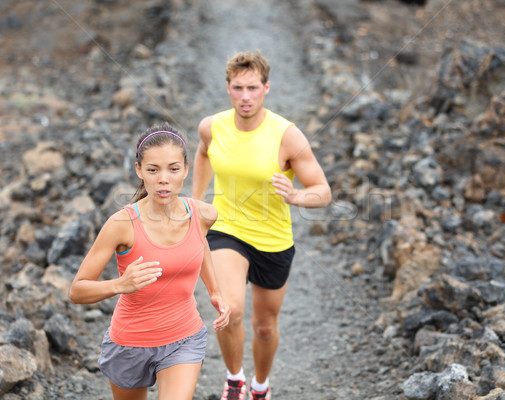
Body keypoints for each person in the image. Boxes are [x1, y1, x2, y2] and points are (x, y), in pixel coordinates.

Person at [192, 50, 332, 400]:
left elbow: (324, 191)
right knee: (230, 309)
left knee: (265, 327)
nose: (245, 97)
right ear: (227, 88)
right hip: (228, 230)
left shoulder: (287, 135)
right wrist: (196, 201)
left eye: (252, 88)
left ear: (266, 87)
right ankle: (235, 380)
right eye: (238, 88)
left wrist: (296, 197)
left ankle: (260, 386)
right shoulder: (212, 126)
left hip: (273, 238)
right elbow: (203, 152)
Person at [69, 123, 230, 400]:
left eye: (173, 169)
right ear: (139, 171)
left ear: (186, 169)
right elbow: (77, 290)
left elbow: (199, 244)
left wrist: (215, 291)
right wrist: (121, 284)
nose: (163, 179)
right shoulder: (121, 224)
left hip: (184, 337)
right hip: (129, 343)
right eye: (153, 170)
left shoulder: (203, 214)